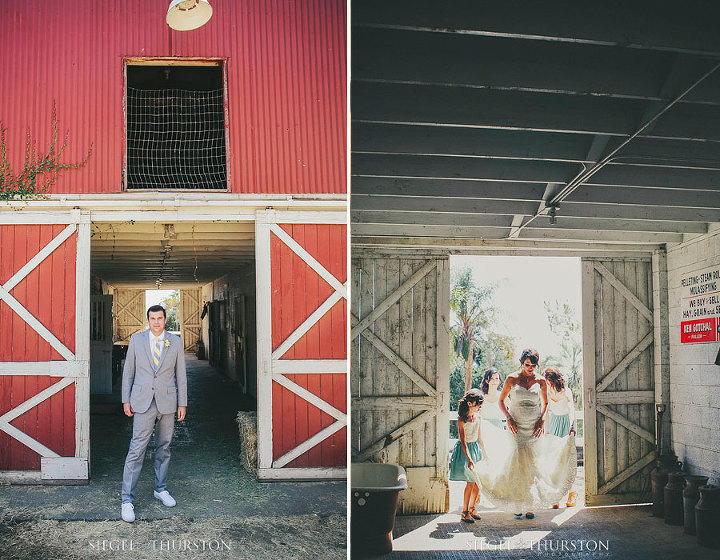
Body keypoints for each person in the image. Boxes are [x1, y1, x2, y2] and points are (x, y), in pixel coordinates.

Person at [474, 348, 576, 520]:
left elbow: (545, 404)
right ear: (522, 363)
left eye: (533, 365)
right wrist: (508, 418)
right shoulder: (512, 379)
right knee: (518, 464)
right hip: (516, 427)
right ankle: (517, 504)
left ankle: (529, 505)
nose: (530, 368)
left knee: (532, 464)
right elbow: (501, 401)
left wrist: (542, 419)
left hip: (534, 427)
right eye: (527, 365)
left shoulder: (541, 381)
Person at [120, 305, 188, 523]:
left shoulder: (175, 342)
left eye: (160, 318)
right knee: (137, 448)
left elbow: (182, 376)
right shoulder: (137, 340)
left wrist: (182, 403)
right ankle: (127, 500)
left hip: (168, 402)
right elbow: (128, 372)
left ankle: (161, 489)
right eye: (152, 318)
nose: (156, 322)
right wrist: (125, 399)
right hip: (142, 401)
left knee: (164, 447)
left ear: (165, 319)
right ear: (147, 320)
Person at [449, 388, 487, 523]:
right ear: (470, 403)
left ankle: (472, 508)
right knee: (470, 483)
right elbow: (463, 440)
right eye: (478, 404)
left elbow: (480, 437)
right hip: (465, 451)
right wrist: (469, 459)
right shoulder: (461, 420)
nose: (480, 407)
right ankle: (464, 511)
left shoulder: (478, 418)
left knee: (477, 482)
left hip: (476, 449)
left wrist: (485, 453)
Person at [544, 366, 578, 508]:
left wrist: (570, 426)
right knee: (554, 460)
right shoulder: (545, 392)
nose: (547, 384)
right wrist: (547, 432)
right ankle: (556, 495)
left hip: (566, 422)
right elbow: (545, 412)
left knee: (567, 459)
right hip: (554, 423)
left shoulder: (566, 391)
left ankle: (572, 492)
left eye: (549, 381)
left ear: (554, 379)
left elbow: (571, 409)